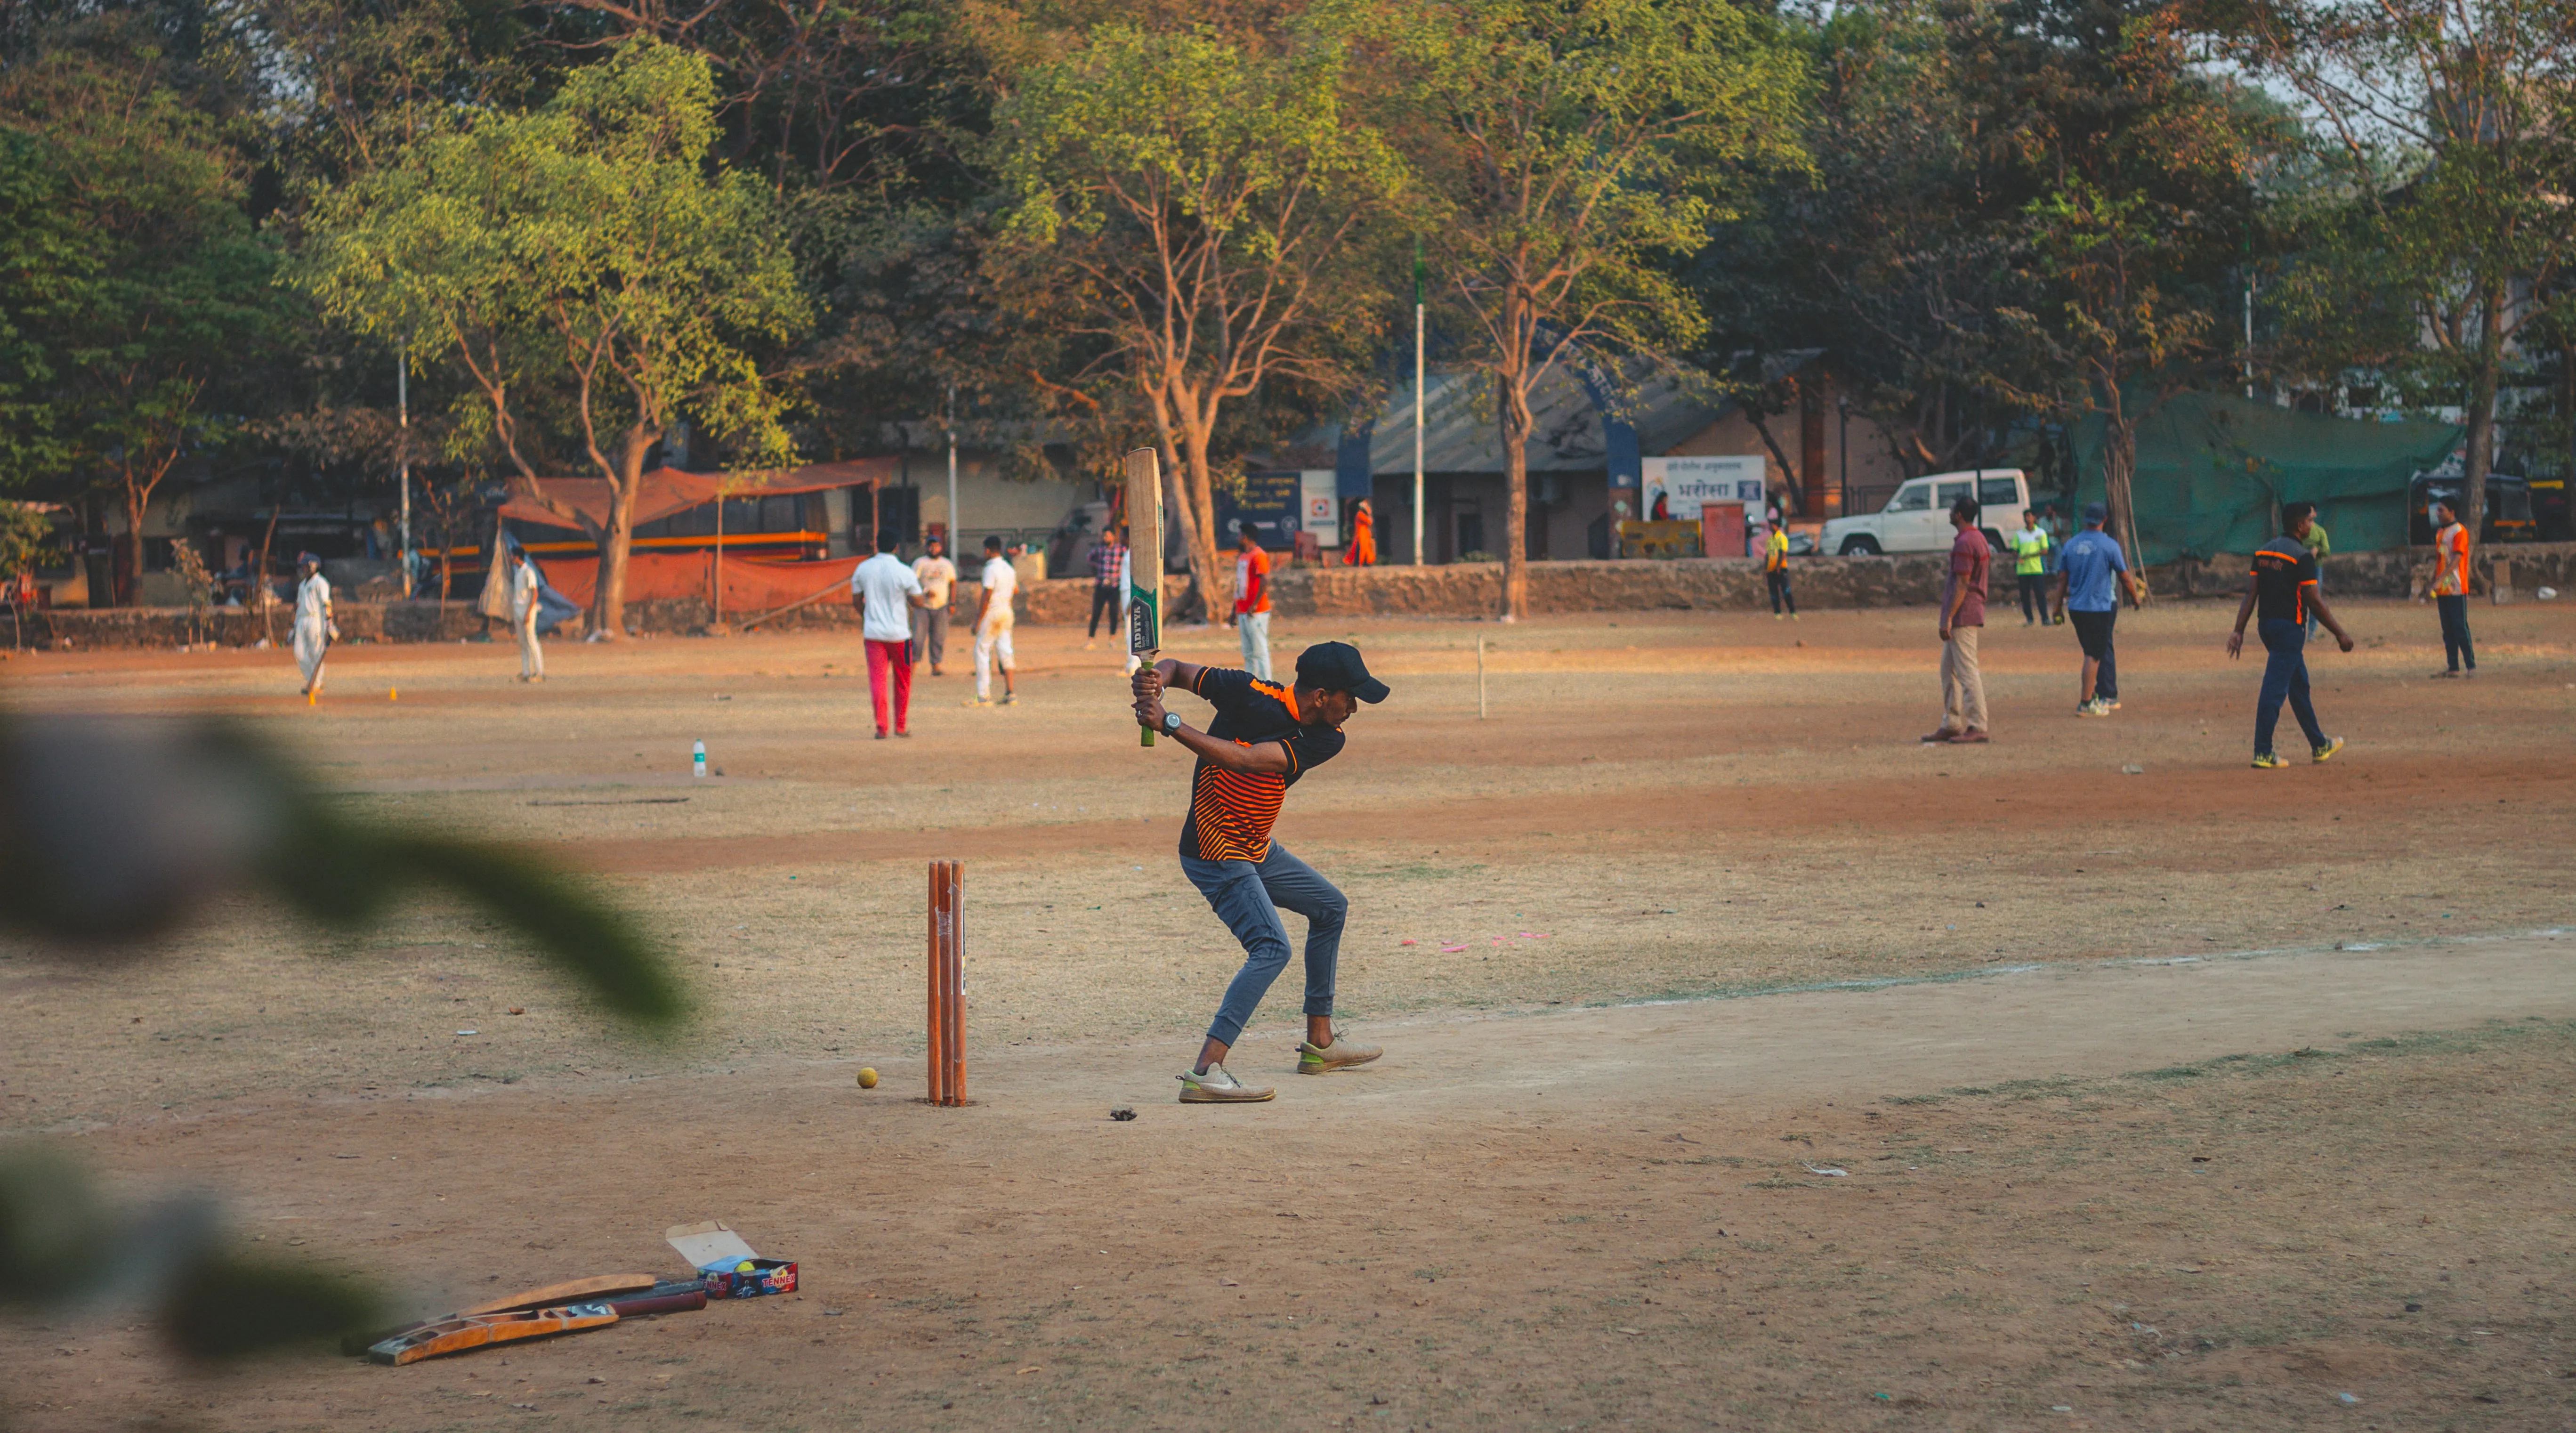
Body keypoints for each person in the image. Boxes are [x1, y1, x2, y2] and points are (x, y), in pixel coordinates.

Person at [1130, 641, 1389, 1103]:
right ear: (1320, 695)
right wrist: (1155, 678)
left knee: (1330, 907)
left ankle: (1320, 1044)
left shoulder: (1326, 737)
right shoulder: (1246, 689)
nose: (1353, 708)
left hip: (1253, 847)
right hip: (1214, 849)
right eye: (1349, 698)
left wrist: (1168, 722)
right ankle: (1206, 1071)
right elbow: (1177, 669)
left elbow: (1245, 759)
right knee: (1271, 948)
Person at [2229, 502, 2351, 768]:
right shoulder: (2302, 557)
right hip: (2290, 630)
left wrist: (2239, 630)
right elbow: (2314, 601)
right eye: (2311, 521)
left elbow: (2252, 593)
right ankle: (2262, 751)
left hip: (2267, 628)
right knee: (2274, 690)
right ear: (2299, 525)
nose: (2313, 526)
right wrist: (2340, 634)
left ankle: (2319, 745)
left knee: (2299, 686)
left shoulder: (2262, 552)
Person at [2058, 503, 2145, 717]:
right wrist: (2135, 598)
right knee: (2096, 653)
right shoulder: (2109, 545)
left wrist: (2056, 607)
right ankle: (2093, 700)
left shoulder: (2070, 545)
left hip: (2076, 608)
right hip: (2099, 607)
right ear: (2105, 520)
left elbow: (2062, 578)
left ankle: (2096, 694)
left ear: (2086, 519)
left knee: (2093, 651)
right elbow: (2124, 576)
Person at [1922, 496, 1991, 744]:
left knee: (1966, 671)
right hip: (1968, 611)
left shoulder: (1964, 542)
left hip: (1963, 614)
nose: (1950, 513)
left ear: (1960, 515)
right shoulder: (1978, 538)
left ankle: (1978, 725)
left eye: (1953, 511)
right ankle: (1952, 722)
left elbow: (1963, 583)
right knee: (1948, 670)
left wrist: (1948, 618)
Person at [851, 528, 929, 738]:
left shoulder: (863, 569)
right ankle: (901, 726)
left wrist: (868, 616)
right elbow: (920, 601)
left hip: (874, 636)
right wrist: (911, 601)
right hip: (901, 637)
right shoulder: (904, 571)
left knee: (878, 681)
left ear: (876, 545)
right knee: (904, 680)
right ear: (896, 547)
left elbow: (856, 601)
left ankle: (881, 727)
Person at [2428, 497, 2475, 678]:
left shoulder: (2460, 531)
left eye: (2441, 510)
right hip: (2442, 588)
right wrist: (2435, 580)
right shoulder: (2440, 532)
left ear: (2452, 512)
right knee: (2448, 629)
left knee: (2460, 626)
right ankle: (2453, 667)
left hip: (2456, 587)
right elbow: (2441, 559)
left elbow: (2457, 559)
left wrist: (2441, 579)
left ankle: (2471, 665)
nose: (2438, 513)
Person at [970, 534, 1017, 706]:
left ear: (988, 551)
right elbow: (1016, 590)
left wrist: (977, 620)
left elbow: (987, 595)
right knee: (1006, 650)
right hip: (1007, 610)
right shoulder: (1009, 568)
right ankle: (1011, 693)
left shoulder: (990, 568)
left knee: (982, 650)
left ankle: (983, 695)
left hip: (994, 612)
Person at [1230, 523, 1274, 679]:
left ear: (1246, 537)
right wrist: (1234, 610)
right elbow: (1239, 585)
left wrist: (1255, 604)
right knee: (1248, 652)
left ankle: (1267, 684)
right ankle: (1250, 684)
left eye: (1240, 535)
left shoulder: (1258, 555)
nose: (1238, 538)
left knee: (1260, 650)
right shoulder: (1243, 557)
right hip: (1243, 610)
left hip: (1257, 611)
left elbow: (1265, 579)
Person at [911, 535, 956, 676]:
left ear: (941, 547)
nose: (934, 549)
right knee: (918, 637)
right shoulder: (920, 563)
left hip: (942, 606)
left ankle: (936, 666)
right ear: (927, 548)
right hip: (923, 606)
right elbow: (912, 582)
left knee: (939, 637)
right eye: (931, 546)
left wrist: (952, 602)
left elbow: (953, 583)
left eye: (936, 546)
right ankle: (913, 666)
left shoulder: (947, 564)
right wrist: (924, 592)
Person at [292, 552, 335, 700]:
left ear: (313, 566)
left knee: (316, 652)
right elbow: (298, 606)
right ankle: (313, 680)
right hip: (302, 620)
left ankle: (315, 684)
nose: (303, 569)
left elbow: (326, 603)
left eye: (306, 566)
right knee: (298, 653)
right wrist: (294, 625)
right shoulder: (302, 585)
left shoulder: (321, 583)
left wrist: (330, 625)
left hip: (316, 620)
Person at [2009, 509, 2053, 625]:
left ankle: (2045, 618)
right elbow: (2014, 550)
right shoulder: (2019, 534)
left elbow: (2045, 550)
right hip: (2023, 570)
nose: (2027, 519)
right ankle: (2029, 619)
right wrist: (2019, 556)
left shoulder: (2041, 533)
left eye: (2029, 516)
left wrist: (2029, 555)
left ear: (2034, 518)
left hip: (2036, 569)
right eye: (2025, 516)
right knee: (2025, 596)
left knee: (2040, 594)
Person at [507, 545, 543, 683]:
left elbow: (535, 593)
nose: (511, 558)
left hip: (527, 610)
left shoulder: (529, 572)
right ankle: (526, 672)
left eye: (512, 556)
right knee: (522, 642)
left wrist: (528, 613)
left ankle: (540, 672)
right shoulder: (518, 572)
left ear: (517, 557)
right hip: (518, 610)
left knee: (532, 640)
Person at [1086, 526, 1127, 646]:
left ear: (1113, 537)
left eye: (1108, 536)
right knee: (1096, 612)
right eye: (1104, 536)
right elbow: (1089, 558)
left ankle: (1112, 639)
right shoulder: (1100, 550)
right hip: (1101, 585)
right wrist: (1097, 566)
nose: (1106, 538)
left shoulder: (1120, 550)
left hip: (1115, 586)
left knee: (1114, 612)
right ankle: (1091, 639)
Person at [2298, 509, 2331, 640]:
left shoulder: (2320, 531)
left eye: (2310, 513)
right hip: (2299, 569)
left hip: (2316, 568)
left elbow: (2327, 551)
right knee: (2299, 599)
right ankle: (2299, 629)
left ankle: (2311, 632)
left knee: (2314, 599)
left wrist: (2318, 551)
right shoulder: (2299, 530)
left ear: (2315, 514)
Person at [1763, 516, 1796, 619]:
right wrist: (1766, 568)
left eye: (1771, 525)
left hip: (1781, 569)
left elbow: (1783, 553)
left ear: (1776, 526)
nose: (1770, 527)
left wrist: (1778, 567)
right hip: (1771, 569)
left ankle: (1793, 612)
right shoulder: (1770, 540)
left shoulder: (1782, 538)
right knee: (1774, 592)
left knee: (1786, 591)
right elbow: (1768, 555)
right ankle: (1777, 613)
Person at [1343, 497, 1375, 566]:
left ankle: (1365, 563)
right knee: (1360, 551)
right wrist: (1369, 513)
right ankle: (1359, 563)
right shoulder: (1360, 514)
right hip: (1361, 536)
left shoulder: (1360, 514)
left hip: (1364, 536)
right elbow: (1370, 522)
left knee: (1365, 551)